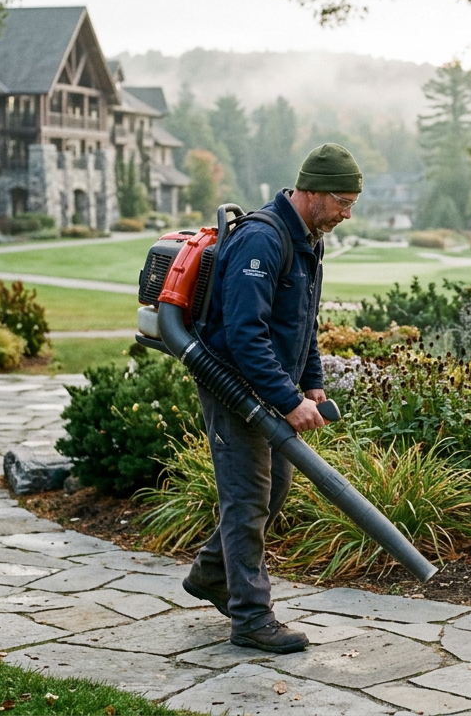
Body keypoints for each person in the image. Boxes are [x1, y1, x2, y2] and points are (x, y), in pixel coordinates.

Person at [181, 143, 362, 653]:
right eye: (343, 202)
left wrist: (312, 379)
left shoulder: (308, 236)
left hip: (266, 386)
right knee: (246, 500)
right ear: (312, 191)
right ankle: (252, 619)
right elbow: (245, 333)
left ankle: (211, 576)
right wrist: (288, 399)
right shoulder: (262, 238)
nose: (347, 214)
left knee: (274, 489)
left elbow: (301, 320)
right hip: (233, 384)